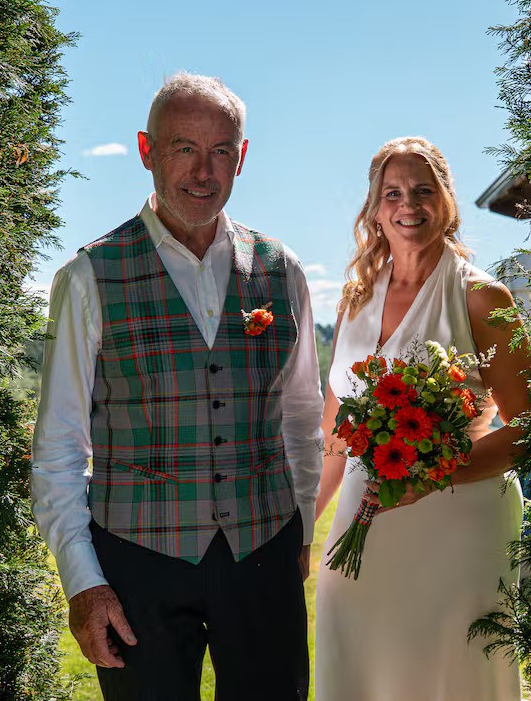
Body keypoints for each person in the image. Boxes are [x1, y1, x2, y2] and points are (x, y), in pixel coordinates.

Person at [32, 73, 324, 701]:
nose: (203, 170)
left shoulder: (282, 269)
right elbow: (59, 445)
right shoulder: (88, 276)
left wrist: (299, 534)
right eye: (183, 148)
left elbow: (301, 415)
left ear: (241, 157)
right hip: (139, 560)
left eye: (221, 150)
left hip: (263, 547)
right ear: (146, 151)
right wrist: (84, 581)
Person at [314, 136, 531, 700]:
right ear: (374, 208)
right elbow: (336, 428)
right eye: (392, 192)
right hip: (362, 525)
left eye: (422, 190)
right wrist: (303, 523)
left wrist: (435, 473)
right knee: (353, 662)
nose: (407, 205)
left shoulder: (484, 297)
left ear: (447, 201)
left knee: (447, 677)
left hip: (459, 527)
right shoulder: (354, 298)